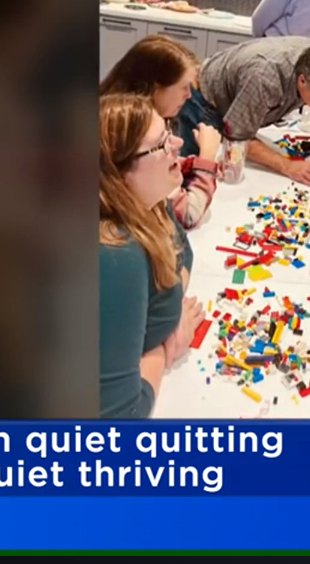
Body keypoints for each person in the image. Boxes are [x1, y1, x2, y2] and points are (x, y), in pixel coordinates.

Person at [99, 94, 203, 418]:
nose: (178, 142)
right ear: (121, 174)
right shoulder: (115, 254)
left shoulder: (150, 203)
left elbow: (183, 252)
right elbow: (123, 415)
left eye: (168, 129)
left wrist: (169, 310)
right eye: (161, 145)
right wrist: (161, 347)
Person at [174, 37, 310, 186]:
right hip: (205, 102)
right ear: (302, 81)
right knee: (193, 180)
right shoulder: (264, 78)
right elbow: (238, 137)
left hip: (240, 100)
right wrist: (287, 166)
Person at [100, 36, 223, 229]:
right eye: (183, 87)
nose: (189, 95)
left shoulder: (141, 126)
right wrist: (207, 157)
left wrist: (190, 164)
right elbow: (187, 214)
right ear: (155, 88)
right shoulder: (129, 132)